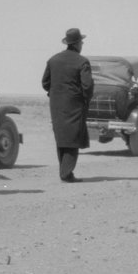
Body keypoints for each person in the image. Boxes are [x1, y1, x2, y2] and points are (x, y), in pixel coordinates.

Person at [42, 28, 94, 183]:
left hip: (57, 105)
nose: (82, 44)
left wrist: (56, 94)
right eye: (82, 42)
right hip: (75, 104)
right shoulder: (82, 61)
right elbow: (88, 86)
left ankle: (64, 171)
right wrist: (85, 99)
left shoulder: (53, 60)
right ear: (77, 44)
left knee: (62, 137)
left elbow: (45, 83)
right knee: (73, 137)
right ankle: (66, 173)